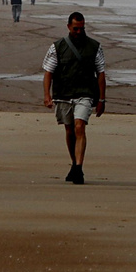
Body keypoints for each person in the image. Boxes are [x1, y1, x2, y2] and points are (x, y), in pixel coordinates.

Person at [41, 11, 106, 185]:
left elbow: (101, 74)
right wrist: (47, 95)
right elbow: (48, 72)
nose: (79, 32)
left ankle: (78, 167)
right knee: (69, 131)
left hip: (85, 94)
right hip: (63, 95)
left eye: (82, 28)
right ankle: (75, 164)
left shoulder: (95, 47)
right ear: (69, 26)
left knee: (79, 127)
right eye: (76, 28)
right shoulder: (57, 47)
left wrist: (101, 99)